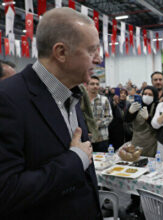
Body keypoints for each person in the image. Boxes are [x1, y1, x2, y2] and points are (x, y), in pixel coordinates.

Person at [0, 8, 102, 219]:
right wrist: (75, 160)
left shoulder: (71, 93)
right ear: (61, 52)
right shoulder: (8, 100)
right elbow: (7, 192)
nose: (99, 59)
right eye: (92, 51)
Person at [125, 86, 159, 157]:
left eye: (150, 95)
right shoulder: (137, 104)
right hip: (136, 141)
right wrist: (129, 113)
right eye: (145, 94)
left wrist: (148, 118)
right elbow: (126, 120)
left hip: (151, 143)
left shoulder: (157, 106)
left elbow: (158, 127)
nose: (147, 96)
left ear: (154, 96)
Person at [87, 76, 113, 152]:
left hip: (101, 138)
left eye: (97, 84)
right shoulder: (82, 100)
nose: (95, 86)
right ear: (87, 86)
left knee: (101, 162)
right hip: (86, 139)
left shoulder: (104, 100)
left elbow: (109, 117)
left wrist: (95, 125)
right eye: (92, 84)